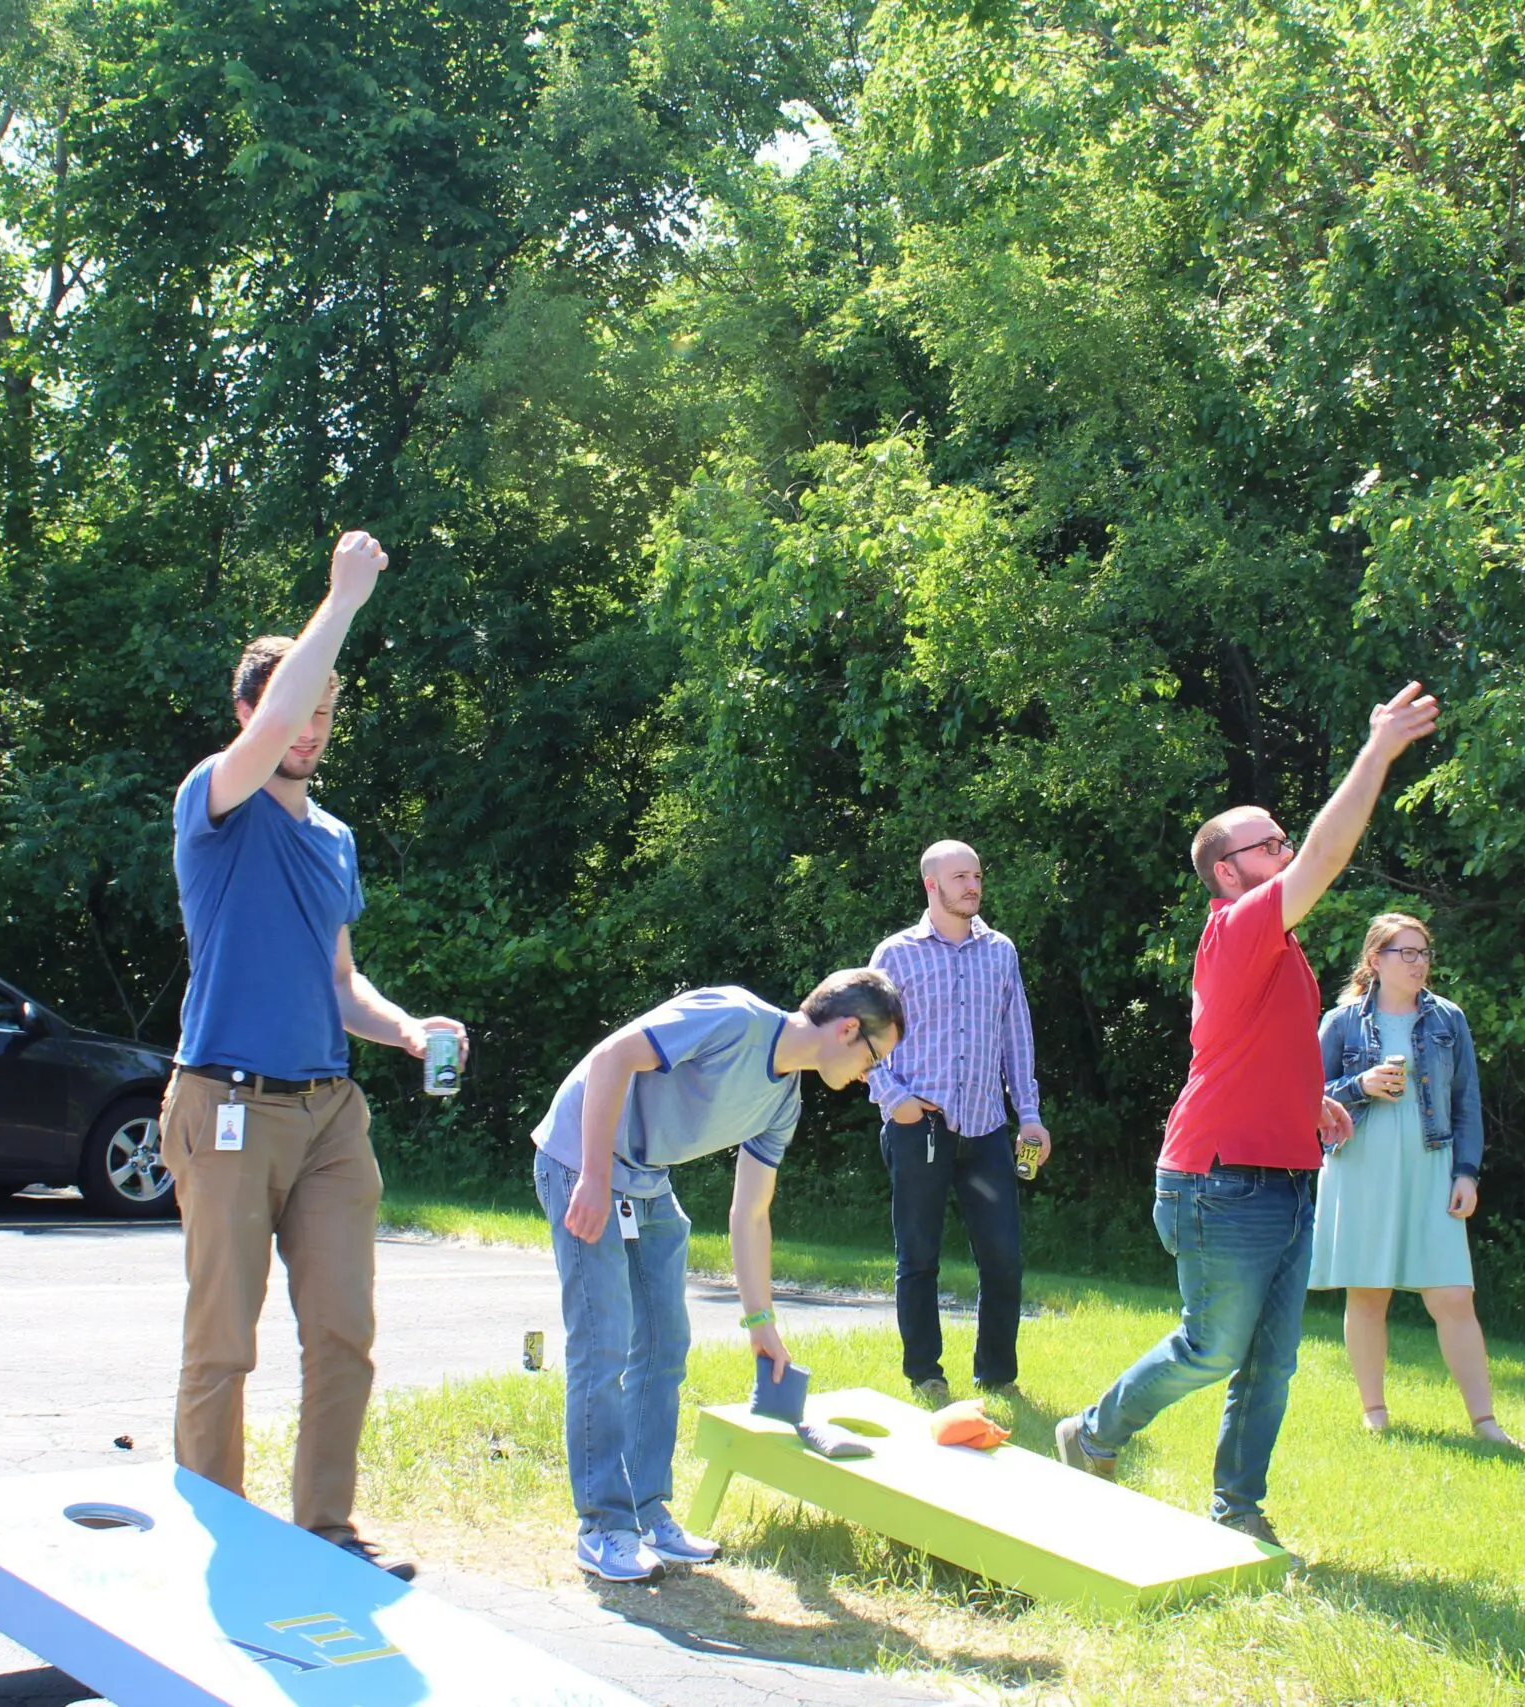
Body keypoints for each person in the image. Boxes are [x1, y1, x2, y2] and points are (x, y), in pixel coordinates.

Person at [1055, 682, 1438, 1549]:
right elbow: (1325, 863)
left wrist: (1313, 1106)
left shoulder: (1280, 950)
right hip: (1218, 1179)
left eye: (1282, 836)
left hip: (1286, 1174)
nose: (1286, 846)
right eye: (1269, 842)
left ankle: (1238, 1507)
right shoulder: (1236, 925)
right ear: (1230, 870)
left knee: (1271, 1361)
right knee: (1212, 1347)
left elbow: (1256, 1047)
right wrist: (1376, 751)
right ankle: (1094, 1432)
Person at [162, 529, 467, 1579]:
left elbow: (342, 987)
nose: (311, 731)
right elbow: (281, 710)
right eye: (297, 711)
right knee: (225, 1342)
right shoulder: (218, 803)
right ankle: (218, 1533)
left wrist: (408, 1029)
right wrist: (341, 599)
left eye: (328, 716)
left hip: (329, 1112)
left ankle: (326, 1533)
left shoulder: (333, 840)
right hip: (226, 1102)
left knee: (342, 1330)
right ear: (251, 716)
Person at [533, 969, 904, 1584]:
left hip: (647, 1183)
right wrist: (594, 1177)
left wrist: (761, 1324)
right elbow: (611, 1058)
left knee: (662, 1347)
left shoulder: (783, 1103)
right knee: (602, 1345)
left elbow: (751, 1212)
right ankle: (602, 1527)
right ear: (846, 1029)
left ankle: (647, 1514)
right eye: (875, 1056)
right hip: (581, 1158)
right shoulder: (734, 1018)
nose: (872, 1074)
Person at [1311, 913, 1520, 1447]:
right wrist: (1360, 1084)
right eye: (1407, 953)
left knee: (1453, 1295)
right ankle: (1375, 1413)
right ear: (1375, 960)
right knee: (1368, 1293)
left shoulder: (1449, 1020)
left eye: (1424, 953)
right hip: (1361, 1168)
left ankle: (1485, 1422)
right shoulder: (1341, 1022)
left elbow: (1466, 1101)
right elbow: (1305, 1095)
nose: (1419, 962)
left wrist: (1467, 1172)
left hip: (1431, 1167)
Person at [866, 839, 1047, 1405]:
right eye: (960, 877)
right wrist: (891, 1095)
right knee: (918, 1256)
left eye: (976, 874)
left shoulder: (1001, 951)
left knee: (1003, 1258)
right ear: (932, 886)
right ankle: (925, 1373)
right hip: (919, 1125)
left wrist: (1031, 1116)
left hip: (988, 1128)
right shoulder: (895, 955)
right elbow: (861, 1037)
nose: (972, 885)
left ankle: (997, 1376)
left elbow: (1016, 1035)